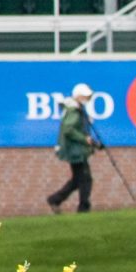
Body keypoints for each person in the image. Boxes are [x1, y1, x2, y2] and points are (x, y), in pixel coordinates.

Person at [45, 84, 98, 213]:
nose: (87, 98)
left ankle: (55, 199)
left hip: (76, 150)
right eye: (85, 96)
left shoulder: (75, 109)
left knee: (77, 180)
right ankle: (83, 208)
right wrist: (84, 139)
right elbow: (68, 129)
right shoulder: (73, 110)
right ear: (78, 96)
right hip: (76, 151)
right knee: (85, 179)